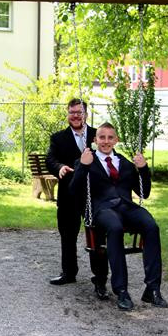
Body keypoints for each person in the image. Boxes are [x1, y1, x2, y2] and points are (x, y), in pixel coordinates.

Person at [69, 122, 167, 311]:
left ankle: (153, 289)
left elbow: (144, 193)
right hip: (102, 209)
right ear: (95, 140)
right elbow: (74, 191)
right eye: (102, 137)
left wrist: (143, 169)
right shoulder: (86, 160)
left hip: (127, 207)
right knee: (115, 227)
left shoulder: (126, 163)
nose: (106, 141)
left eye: (110, 137)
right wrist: (83, 166)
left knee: (151, 226)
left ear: (116, 140)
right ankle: (121, 290)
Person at [45, 98, 109, 300]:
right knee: (67, 234)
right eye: (72, 112)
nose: (75, 116)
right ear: (67, 114)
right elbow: (50, 159)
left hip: (93, 194)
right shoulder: (58, 138)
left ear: (86, 114)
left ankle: (100, 280)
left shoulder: (97, 135)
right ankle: (69, 273)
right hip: (68, 194)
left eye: (79, 112)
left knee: (97, 236)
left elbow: (109, 155)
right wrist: (59, 167)